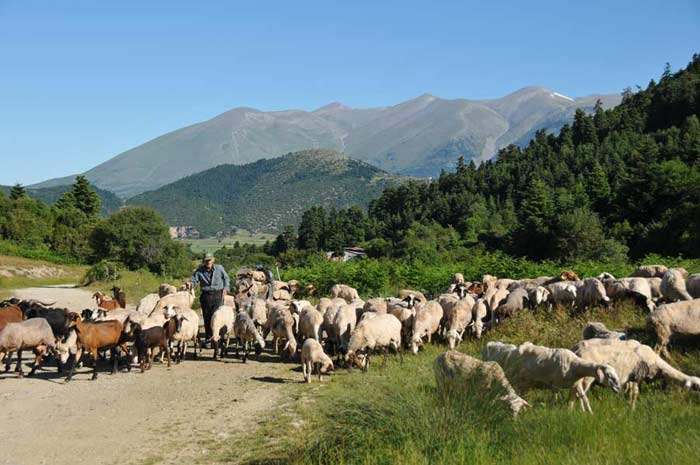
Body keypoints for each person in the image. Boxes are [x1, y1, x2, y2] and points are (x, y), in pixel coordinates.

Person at [191, 252, 230, 341]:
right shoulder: (199, 271)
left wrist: (226, 287)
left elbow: (226, 278)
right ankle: (208, 337)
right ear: (203, 262)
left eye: (209, 260)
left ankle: (217, 337)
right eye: (206, 260)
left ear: (213, 260)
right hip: (206, 296)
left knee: (217, 316)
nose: (208, 262)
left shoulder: (219, 268)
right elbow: (194, 281)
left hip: (218, 295)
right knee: (207, 317)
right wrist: (189, 285)